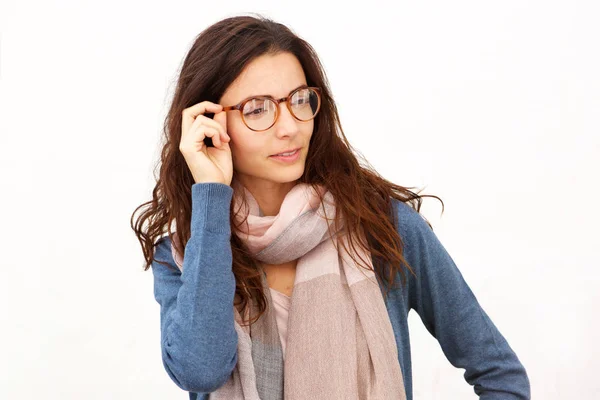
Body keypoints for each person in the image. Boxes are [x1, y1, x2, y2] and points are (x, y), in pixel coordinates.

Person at [130, 13, 530, 400]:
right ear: (210, 123)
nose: (290, 126)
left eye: (299, 100)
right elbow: (202, 369)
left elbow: (500, 374)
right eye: (257, 109)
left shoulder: (383, 229)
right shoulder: (185, 255)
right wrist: (211, 198)